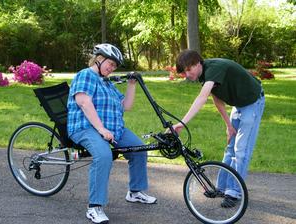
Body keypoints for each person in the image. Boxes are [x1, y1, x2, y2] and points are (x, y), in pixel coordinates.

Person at [67, 43, 156, 224]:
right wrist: (101, 129)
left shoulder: (106, 82)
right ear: (99, 59)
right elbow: (84, 102)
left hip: (113, 129)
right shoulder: (86, 75)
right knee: (104, 155)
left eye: (115, 66)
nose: (112, 68)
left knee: (139, 148)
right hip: (86, 127)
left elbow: (126, 106)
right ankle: (94, 207)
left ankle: (135, 192)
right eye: (111, 64)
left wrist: (132, 84)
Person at [173, 50, 265, 208]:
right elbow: (217, 100)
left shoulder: (214, 69)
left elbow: (202, 98)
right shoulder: (205, 76)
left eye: (189, 70)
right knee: (230, 148)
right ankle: (221, 188)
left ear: (198, 63)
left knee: (241, 151)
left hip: (252, 103)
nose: (187, 75)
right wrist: (228, 125)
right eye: (184, 72)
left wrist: (182, 123)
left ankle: (234, 192)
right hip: (239, 105)